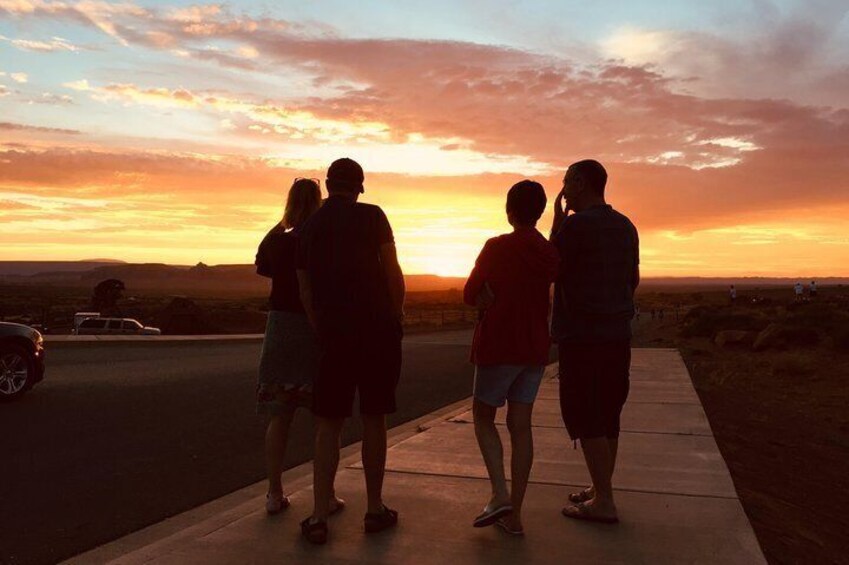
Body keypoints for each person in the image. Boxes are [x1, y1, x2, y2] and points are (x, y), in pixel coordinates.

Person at [296, 158, 405, 545]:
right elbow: (392, 270)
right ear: (359, 187)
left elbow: (305, 290)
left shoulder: (308, 227)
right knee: (374, 418)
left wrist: (321, 328)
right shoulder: (373, 216)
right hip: (376, 331)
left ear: (327, 185)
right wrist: (397, 315)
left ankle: (318, 515)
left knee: (329, 423)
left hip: (333, 336)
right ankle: (374, 509)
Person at [463, 180, 559, 536]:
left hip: (498, 345)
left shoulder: (497, 246)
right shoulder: (548, 252)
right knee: (521, 427)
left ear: (510, 209)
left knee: (483, 416)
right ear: (540, 210)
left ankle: (500, 494)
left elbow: (471, 293)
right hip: (533, 349)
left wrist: (488, 296)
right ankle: (514, 515)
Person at [550, 159, 639, 524]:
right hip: (617, 334)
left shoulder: (573, 227)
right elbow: (632, 279)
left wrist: (557, 221)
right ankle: (600, 488)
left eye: (567, 180)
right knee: (608, 415)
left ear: (582, 183)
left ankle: (604, 503)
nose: (563, 186)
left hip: (582, 337)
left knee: (587, 416)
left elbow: (550, 266)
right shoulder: (625, 225)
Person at [254, 178, 344, 516]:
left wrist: (284, 219)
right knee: (325, 420)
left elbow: (260, 262)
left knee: (280, 416)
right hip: (314, 327)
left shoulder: (280, 242)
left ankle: (274, 493)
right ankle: (327, 495)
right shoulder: (320, 242)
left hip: (280, 329)